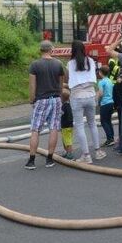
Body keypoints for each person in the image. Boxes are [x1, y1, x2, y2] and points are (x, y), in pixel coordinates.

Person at [26, 40, 65, 170]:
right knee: (54, 128)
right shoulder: (58, 64)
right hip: (56, 99)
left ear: (40, 50)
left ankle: (31, 160)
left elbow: (32, 86)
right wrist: (60, 97)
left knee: (35, 129)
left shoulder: (34, 65)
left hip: (41, 100)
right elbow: (61, 85)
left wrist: (32, 99)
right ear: (51, 50)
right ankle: (49, 159)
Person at [67, 40, 107, 163]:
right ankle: (98, 151)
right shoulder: (90, 61)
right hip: (90, 94)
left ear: (72, 50)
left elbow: (70, 78)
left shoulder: (70, 63)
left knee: (79, 126)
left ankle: (86, 155)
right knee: (92, 123)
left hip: (77, 96)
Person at [97, 65, 115, 146]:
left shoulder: (101, 82)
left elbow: (100, 93)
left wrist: (97, 100)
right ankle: (112, 137)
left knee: (103, 121)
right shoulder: (109, 81)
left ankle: (109, 139)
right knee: (108, 120)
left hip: (104, 103)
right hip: (111, 102)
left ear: (100, 73)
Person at [60, 88, 74, 159]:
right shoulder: (67, 105)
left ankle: (70, 154)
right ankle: (67, 152)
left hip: (66, 126)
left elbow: (67, 116)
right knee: (65, 139)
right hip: (67, 126)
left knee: (67, 140)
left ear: (62, 98)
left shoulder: (65, 106)